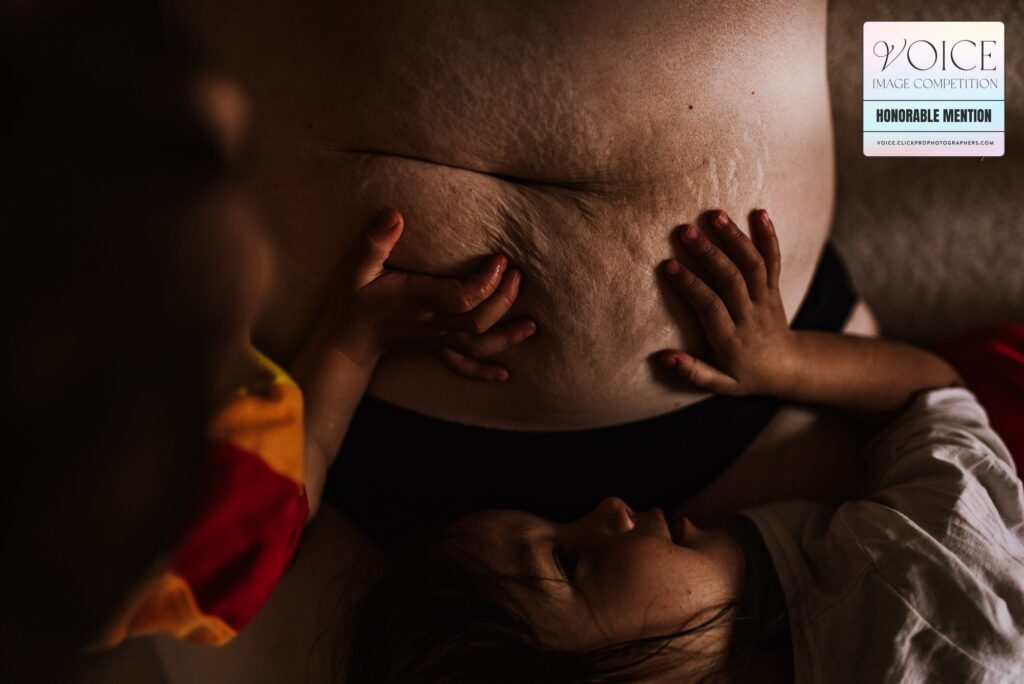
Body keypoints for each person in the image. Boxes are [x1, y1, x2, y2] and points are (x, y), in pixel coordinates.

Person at [162, 0, 880, 544]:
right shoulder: (851, 587)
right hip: (758, 391)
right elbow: (934, 393)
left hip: (343, 416)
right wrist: (791, 361)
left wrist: (346, 346)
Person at [341, 210, 1024, 683]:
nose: (608, 507)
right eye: (570, 561)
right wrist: (782, 361)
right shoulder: (914, 611)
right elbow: (934, 396)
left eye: (561, 524)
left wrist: (785, 360)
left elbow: (935, 401)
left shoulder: (904, 589)